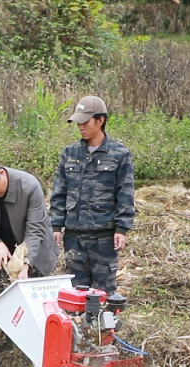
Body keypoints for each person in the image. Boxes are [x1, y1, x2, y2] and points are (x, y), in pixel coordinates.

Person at [49, 95, 135, 294]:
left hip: (103, 237)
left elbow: (125, 193)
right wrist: (56, 225)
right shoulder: (69, 153)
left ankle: (105, 325)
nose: (80, 127)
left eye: (85, 122)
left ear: (100, 120)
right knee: (76, 293)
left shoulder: (119, 154)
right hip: (74, 236)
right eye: (78, 122)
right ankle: (80, 325)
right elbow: (59, 191)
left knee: (105, 293)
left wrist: (121, 228)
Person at [0, 156, 58, 303]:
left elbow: (35, 230)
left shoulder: (29, 186)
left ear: (1, 173)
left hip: (35, 249)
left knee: (35, 305)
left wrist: (27, 263)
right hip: (5, 251)